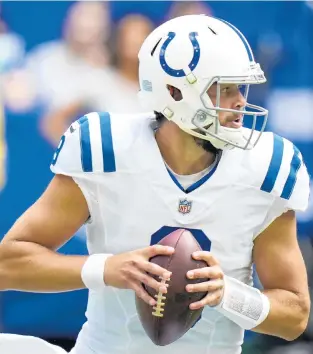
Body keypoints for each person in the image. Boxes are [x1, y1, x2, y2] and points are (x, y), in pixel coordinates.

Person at [0, 14, 311, 354]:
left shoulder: (265, 165)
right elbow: (8, 264)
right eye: (224, 88)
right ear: (175, 92)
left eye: (241, 87)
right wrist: (107, 268)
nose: (239, 101)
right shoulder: (107, 150)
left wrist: (230, 295)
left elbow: (295, 316)